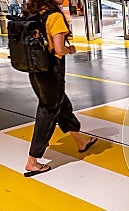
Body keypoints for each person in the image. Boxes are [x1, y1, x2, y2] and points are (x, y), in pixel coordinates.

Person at [23, 0, 97, 177]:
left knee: (61, 104)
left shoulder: (34, 12)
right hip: (51, 70)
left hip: (35, 69)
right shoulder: (54, 16)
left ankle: (81, 141)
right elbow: (59, 48)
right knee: (48, 111)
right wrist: (70, 49)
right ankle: (32, 161)